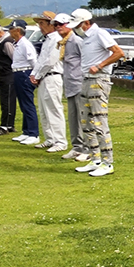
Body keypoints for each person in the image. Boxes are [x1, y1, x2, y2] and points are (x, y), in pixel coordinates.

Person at [69, 9, 125, 177]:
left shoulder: (99, 33)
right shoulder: (85, 38)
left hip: (98, 80)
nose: (76, 28)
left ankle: (108, 163)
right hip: (86, 79)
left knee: (99, 121)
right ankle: (95, 159)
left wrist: (100, 65)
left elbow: (118, 52)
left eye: (78, 25)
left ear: (86, 22)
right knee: (86, 121)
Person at [52, 13, 91, 161]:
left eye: (61, 24)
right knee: (73, 118)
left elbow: (86, 61)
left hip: (79, 84)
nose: (58, 27)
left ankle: (87, 149)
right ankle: (77, 147)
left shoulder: (76, 41)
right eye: (56, 25)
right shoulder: (64, 42)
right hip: (69, 84)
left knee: (83, 118)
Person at [30, 11, 67, 154]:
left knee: (54, 109)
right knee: (44, 110)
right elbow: (40, 60)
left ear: (50, 24)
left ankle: (60, 141)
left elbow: (51, 61)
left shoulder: (57, 39)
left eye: (42, 23)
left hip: (53, 76)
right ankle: (50, 138)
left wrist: (37, 75)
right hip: (44, 77)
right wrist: (34, 74)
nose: (40, 27)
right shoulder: (47, 39)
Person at [8, 20, 40, 146]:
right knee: (22, 104)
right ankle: (26, 131)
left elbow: (33, 60)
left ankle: (33, 133)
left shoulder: (25, 44)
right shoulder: (17, 44)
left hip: (24, 73)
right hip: (17, 73)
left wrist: (34, 75)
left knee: (27, 103)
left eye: (11, 29)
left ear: (18, 30)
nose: (9, 31)